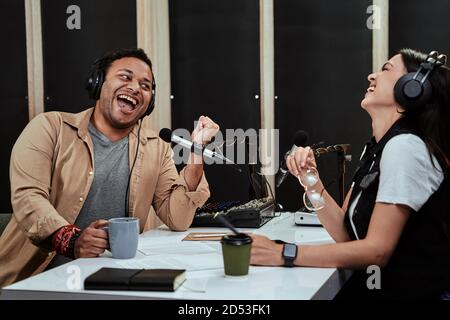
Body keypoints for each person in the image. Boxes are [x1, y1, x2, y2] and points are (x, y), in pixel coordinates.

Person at [0, 48, 219, 287]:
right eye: (125, 77)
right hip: (35, 281)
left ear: (150, 102)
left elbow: (177, 218)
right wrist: (73, 240)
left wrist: (197, 148)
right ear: (97, 83)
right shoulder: (50, 128)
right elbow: (28, 198)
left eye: (145, 86)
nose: (135, 87)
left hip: (113, 279)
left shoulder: (156, 146)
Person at [250, 48, 450, 299]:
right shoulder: (378, 147)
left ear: (411, 88)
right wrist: (311, 181)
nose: (371, 76)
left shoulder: (406, 147)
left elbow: (377, 251)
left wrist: (282, 253)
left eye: (386, 69)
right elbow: (346, 234)